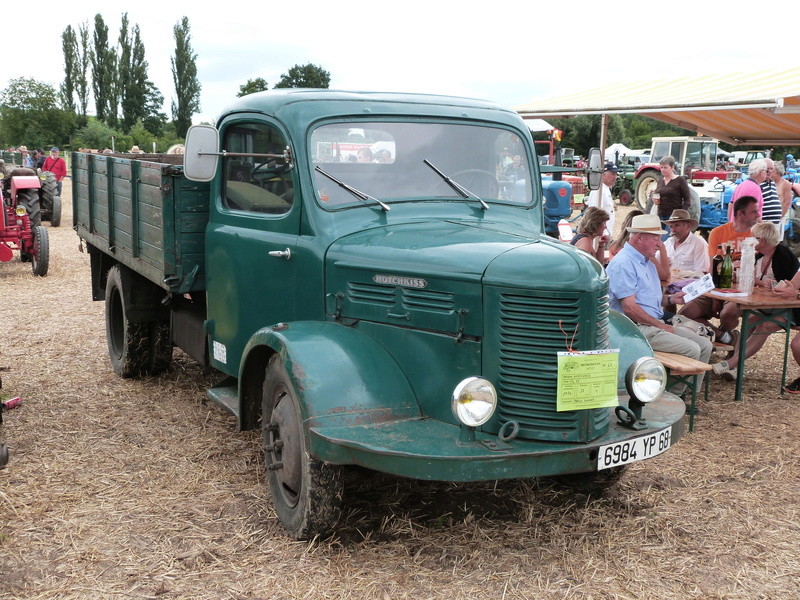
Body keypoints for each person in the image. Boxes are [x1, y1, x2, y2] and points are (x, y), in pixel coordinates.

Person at [606, 213, 713, 397]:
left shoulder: (645, 260)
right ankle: (669, 397)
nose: (659, 243)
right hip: (632, 329)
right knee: (692, 348)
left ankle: (686, 394)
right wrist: (661, 325)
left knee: (705, 345)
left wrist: (671, 300)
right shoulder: (624, 263)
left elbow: (647, 300)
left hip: (649, 323)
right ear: (639, 237)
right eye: (655, 237)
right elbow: (629, 308)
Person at [712, 222, 800, 381]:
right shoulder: (759, 255)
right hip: (771, 303)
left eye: (753, 237)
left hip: (790, 308)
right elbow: (762, 281)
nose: (749, 239)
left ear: (762, 240)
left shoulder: (783, 255)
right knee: (749, 322)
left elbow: (788, 286)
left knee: (764, 325)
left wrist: (774, 285)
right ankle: (736, 368)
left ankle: (731, 363)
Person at [681, 195, 760, 345]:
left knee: (727, 314)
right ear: (739, 214)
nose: (758, 215)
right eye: (753, 212)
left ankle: (727, 335)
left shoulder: (758, 235)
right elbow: (713, 269)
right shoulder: (718, 233)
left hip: (742, 290)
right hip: (718, 285)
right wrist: (714, 298)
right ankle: (726, 337)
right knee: (684, 315)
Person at [663, 209, 710, 274]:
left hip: (690, 283)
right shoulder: (667, 243)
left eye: (677, 225)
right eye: (671, 227)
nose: (673, 230)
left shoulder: (699, 243)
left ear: (688, 226)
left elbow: (702, 272)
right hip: (667, 282)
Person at [652, 155, 691, 222]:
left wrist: (681, 213)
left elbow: (687, 200)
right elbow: (657, 195)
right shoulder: (660, 181)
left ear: (672, 167)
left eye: (665, 167)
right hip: (660, 215)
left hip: (674, 217)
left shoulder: (680, 180)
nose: (663, 170)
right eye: (661, 167)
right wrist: (654, 199)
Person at [585, 162, 617, 237]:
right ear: (603, 174)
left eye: (616, 174)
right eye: (612, 174)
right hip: (601, 236)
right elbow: (594, 215)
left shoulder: (605, 190)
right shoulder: (598, 191)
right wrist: (601, 235)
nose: (615, 177)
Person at [759, 158, 782, 225]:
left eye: (771, 169)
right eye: (767, 168)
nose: (769, 171)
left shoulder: (772, 183)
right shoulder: (758, 184)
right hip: (763, 225)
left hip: (773, 225)